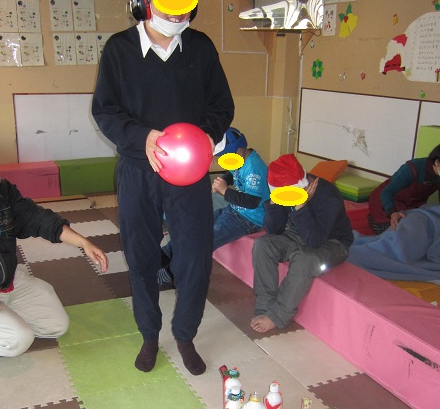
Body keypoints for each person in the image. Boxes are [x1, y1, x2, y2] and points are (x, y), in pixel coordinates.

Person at [92, 0, 234, 375]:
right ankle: (150, 335)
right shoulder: (119, 50)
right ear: (143, 1)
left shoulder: (201, 48)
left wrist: (205, 137)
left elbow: (221, 106)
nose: (176, 14)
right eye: (168, 3)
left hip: (190, 175)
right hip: (139, 171)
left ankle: (185, 334)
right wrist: (143, 137)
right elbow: (105, 111)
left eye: (184, 4)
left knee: (194, 257)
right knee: (140, 256)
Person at [0, 102, 108, 362]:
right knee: (17, 340)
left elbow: (34, 217)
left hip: (5, 281)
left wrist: (82, 242)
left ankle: (2, 316)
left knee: (56, 326)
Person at [251, 153, 354, 333]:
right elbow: (273, 230)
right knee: (263, 245)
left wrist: (300, 207)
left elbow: (314, 241)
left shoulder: (328, 195)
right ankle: (265, 304)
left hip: (333, 242)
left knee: (305, 258)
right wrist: (274, 204)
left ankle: (279, 314)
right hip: (298, 234)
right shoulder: (285, 190)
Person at [157, 127, 269, 285]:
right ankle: (163, 256)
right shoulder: (240, 158)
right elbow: (233, 173)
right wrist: (223, 181)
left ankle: (171, 273)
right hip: (234, 210)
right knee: (193, 229)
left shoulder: (254, 168)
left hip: (249, 220)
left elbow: (252, 201)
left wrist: (225, 191)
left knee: (203, 241)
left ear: (237, 150)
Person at [367, 145, 440, 233]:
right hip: (386, 204)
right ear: (437, 163)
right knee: (398, 232)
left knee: (426, 229)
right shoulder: (412, 168)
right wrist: (393, 213)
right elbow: (386, 192)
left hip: (410, 207)